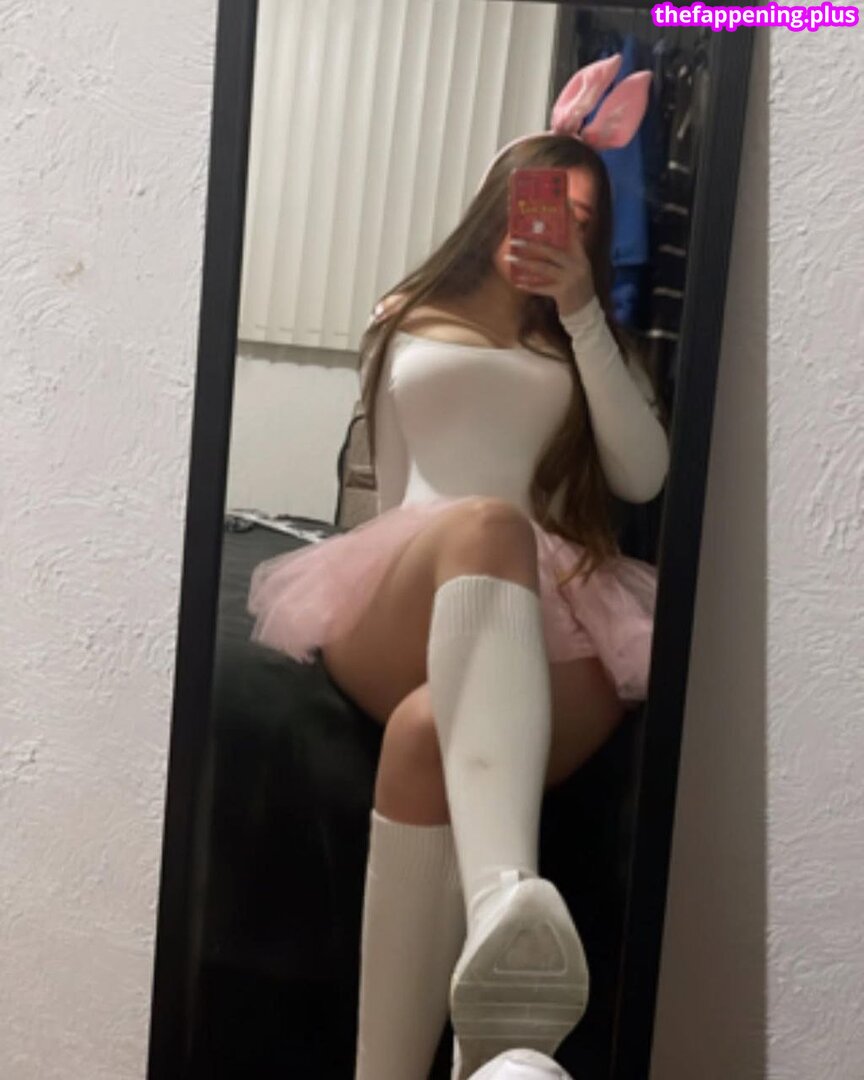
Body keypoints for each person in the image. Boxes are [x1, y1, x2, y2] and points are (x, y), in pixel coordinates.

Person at [247, 56, 667, 1080]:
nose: (556, 227)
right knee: (484, 526)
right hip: (414, 569)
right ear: (498, 202)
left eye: (581, 220)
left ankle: (445, 1063)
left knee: (426, 732)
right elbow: (388, 484)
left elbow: (643, 476)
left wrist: (581, 313)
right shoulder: (404, 312)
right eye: (542, 202)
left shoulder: (590, 343)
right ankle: (503, 904)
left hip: (547, 596)